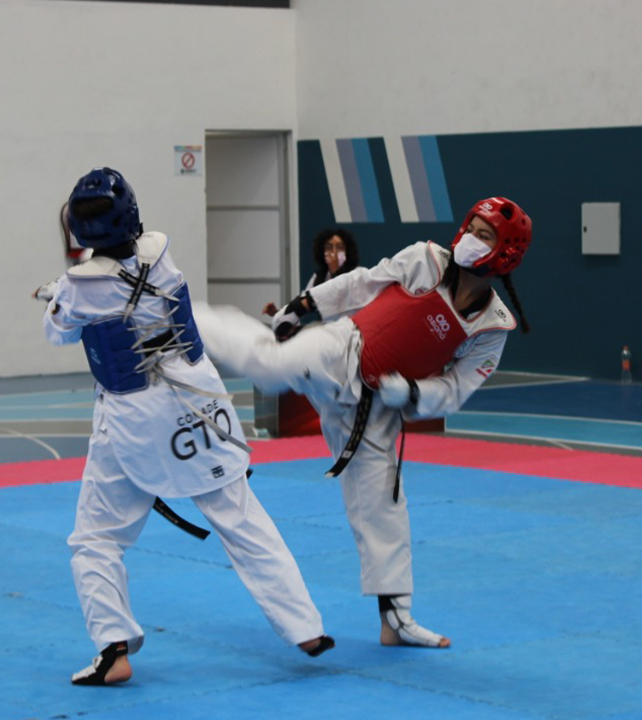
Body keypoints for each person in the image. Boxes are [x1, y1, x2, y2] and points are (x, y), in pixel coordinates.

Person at [197, 197, 533, 649]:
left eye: (485, 234)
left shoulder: (492, 328)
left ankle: (396, 620)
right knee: (270, 367)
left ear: (506, 252)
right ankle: (189, 315)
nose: (471, 239)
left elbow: (455, 390)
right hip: (342, 350)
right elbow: (361, 284)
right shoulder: (427, 260)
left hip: (376, 410)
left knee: (383, 506)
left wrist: (413, 394)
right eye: (471, 227)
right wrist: (304, 303)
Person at [41, 167, 333, 686]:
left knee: (96, 537)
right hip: (198, 401)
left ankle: (114, 649)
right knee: (241, 517)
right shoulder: (160, 253)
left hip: (133, 417)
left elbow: (59, 330)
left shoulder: (79, 286)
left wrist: (58, 295)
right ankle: (305, 626)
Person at [262, 228, 359, 316]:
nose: (334, 251)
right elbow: (300, 303)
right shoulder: (319, 277)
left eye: (339, 247)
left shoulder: (356, 275)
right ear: (322, 253)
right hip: (329, 330)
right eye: (329, 248)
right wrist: (278, 313)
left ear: (347, 251)